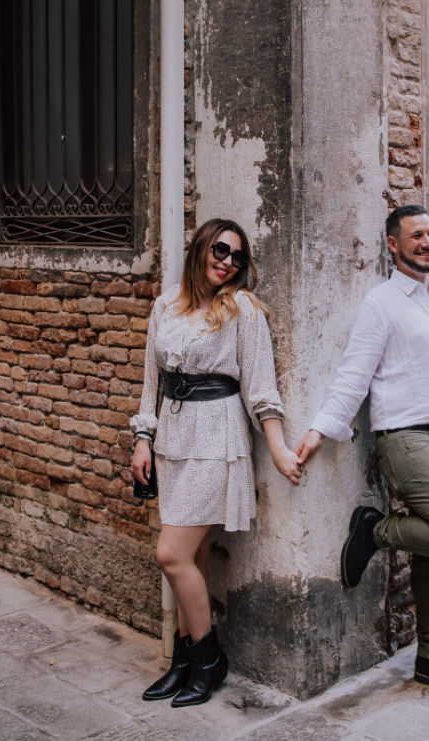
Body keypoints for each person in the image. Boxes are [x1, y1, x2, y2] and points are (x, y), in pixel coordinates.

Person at [293, 205, 429, 701]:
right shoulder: (381, 304)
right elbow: (354, 374)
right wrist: (319, 431)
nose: (427, 242)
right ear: (393, 245)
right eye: (416, 236)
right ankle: (375, 530)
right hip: (408, 441)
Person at [129, 218, 303, 707]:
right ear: (203, 247)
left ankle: (208, 661)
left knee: (172, 554)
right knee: (194, 559)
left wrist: (277, 446)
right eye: (222, 250)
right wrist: (143, 437)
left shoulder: (242, 308)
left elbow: (261, 388)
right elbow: (152, 383)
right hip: (174, 437)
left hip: (217, 437)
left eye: (238, 258)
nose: (228, 262)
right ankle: (184, 664)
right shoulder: (165, 305)